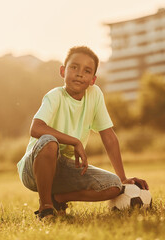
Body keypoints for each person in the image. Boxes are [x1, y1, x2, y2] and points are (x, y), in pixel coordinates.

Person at [17, 46, 149, 220]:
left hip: (64, 169)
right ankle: (45, 207)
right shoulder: (55, 96)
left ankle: (58, 199)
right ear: (63, 71)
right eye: (74, 67)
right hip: (33, 168)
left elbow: (108, 136)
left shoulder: (95, 95)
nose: (79, 74)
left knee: (115, 186)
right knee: (49, 141)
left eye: (87, 71)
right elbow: (36, 128)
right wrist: (75, 141)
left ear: (93, 79)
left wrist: (123, 177)